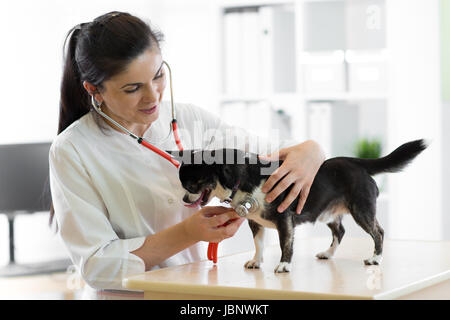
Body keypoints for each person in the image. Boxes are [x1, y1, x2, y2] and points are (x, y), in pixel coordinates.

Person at [49, 11, 325, 299]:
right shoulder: (73, 150)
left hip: (205, 294)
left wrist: (312, 151)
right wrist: (188, 233)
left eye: (158, 76)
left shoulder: (191, 119)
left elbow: (267, 156)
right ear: (95, 90)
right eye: (132, 88)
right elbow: (96, 266)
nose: (153, 96)